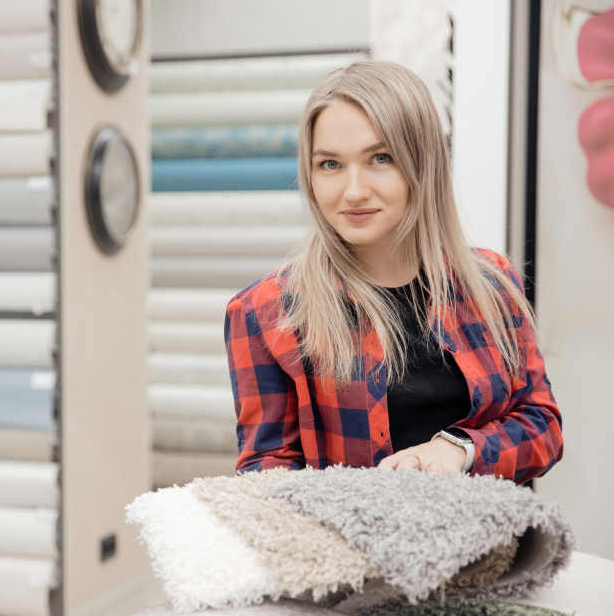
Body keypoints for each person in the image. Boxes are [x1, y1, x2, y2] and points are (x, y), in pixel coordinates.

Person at [224, 61, 563, 485]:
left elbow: (542, 427)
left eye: (379, 159)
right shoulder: (266, 312)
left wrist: (460, 448)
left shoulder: (492, 282)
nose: (354, 191)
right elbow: (266, 473)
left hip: (491, 546)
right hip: (354, 549)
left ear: (422, 164)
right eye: (330, 164)